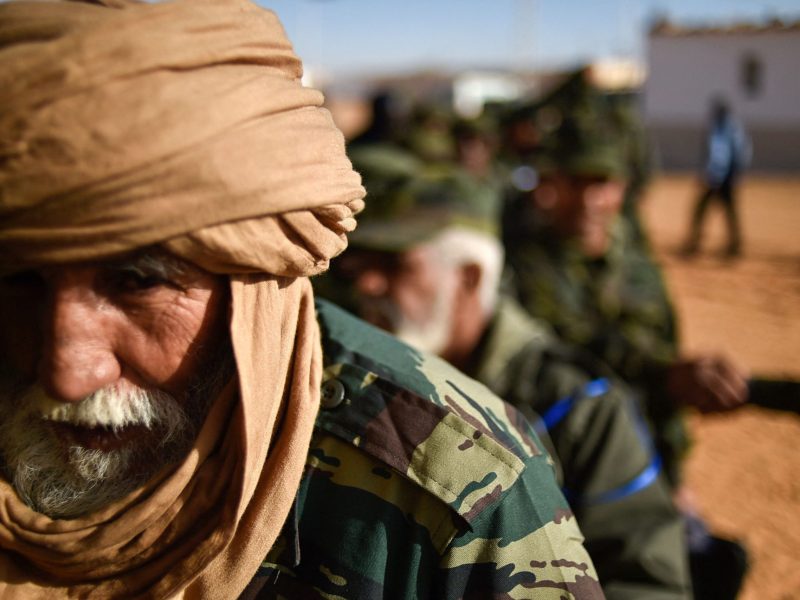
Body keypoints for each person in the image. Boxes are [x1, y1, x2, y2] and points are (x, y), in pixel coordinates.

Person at [0, 1, 603, 598]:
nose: (67, 373)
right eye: (18, 281)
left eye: (139, 283)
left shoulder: (461, 493)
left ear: (256, 287)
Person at [324, 168, 693, 599]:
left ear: (469, 278)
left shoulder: (577, 406)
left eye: (395, 264)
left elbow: (648, 583)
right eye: (362, 267)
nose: (368, 284)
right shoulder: (350, 380)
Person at [502, 84, 750, 599]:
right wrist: (668, 375)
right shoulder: (523, 265)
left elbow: (662, 384)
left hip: (643, 466)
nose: (593, 200)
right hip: (557, 474)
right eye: (579, 182)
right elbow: (572, 359)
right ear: (552, 185)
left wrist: (674, 479)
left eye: (605, 183)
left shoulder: (638, 269)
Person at [682, 97, 751, 257]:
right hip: (720, 176)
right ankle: (727, 245)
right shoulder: (727, 127)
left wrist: (719, 174)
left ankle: (731, 246)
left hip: (720, 177)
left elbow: (722, 154)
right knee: (721, 211)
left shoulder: (727, 127)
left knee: (712, 210)